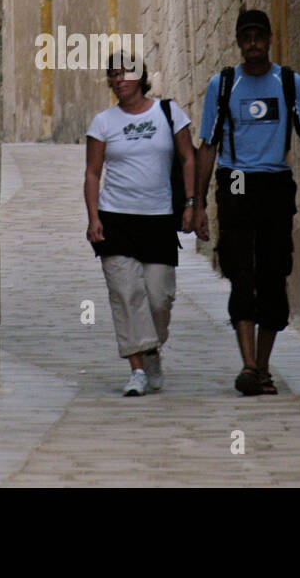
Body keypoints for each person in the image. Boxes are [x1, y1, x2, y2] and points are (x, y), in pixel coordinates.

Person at [193, 9, 300, 396]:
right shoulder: (223, 86)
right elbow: (208, 147)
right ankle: (249, 365)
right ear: (239, 42)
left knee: (273, 271)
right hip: (235, 178)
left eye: (258, 36)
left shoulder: (288, 83)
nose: (252, 43)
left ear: (269, 39)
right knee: (240, 267)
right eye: (246, 37)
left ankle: (262, 366)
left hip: (274, 180)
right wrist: (198, 203)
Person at [85, 51, 196, 396]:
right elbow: (92, 172)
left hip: (158, 219)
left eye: (126, 73)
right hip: (116, 219)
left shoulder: (169, 112)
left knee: (159, 298)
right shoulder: (103, 122)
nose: (120, 80)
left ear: (141, 77)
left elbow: (188, 157)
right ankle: (136, 370)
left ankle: (151, 351)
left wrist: (192, 203)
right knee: (125, 294)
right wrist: (93, 218)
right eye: (114, 75)